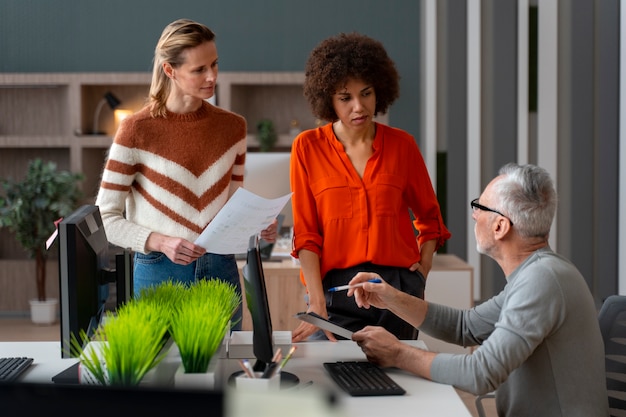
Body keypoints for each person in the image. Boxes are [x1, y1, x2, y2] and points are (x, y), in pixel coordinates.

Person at [349, 163, 608, 416]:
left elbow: (481, 374)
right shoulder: (538, 274)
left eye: (479, 207)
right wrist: (391, 297)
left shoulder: (543, 280)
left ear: (500, 227)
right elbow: (466, 326)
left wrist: (397, 353)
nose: (474, 215)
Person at [95, 19, 277, 330]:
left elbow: (232, 206)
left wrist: (257, 225)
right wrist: (160, 241)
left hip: (221, 269)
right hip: (159, 270)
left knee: (222, 373)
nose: (212, 76)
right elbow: (105, 217)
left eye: (215, 64)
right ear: (170, 70)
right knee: (159, 376)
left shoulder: (233, 128)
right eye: (199, 70)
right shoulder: (136, 130)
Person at [290, 32, 451, 343]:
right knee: (331, 378)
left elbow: (430, 219)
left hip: (397, 291)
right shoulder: (307, 148)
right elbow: (306, 235)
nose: (358, 106)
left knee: (399, 383)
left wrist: (421, 273)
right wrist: (317, 303)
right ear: (328, 100)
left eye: (366, 93)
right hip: (338, 292)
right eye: (345, 98)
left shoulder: (403, 145)